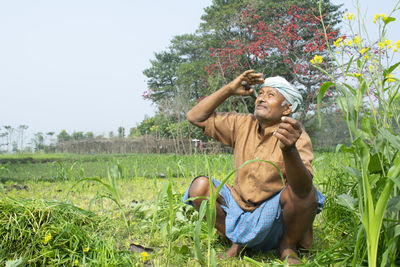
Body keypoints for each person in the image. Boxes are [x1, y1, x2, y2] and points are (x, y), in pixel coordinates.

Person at [182, 70, 325, 264]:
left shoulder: (295, 136)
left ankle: (287, 246)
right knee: (200, 187)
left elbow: (303, 190)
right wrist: (230, 89)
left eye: (271, 95)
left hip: (273, 216)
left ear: (286, 109)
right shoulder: (243, 124)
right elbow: (195, 117)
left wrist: (289, 149)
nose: (261, 99)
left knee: (307, 193)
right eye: (261, 93)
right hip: (239, 206)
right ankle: (237, 241)